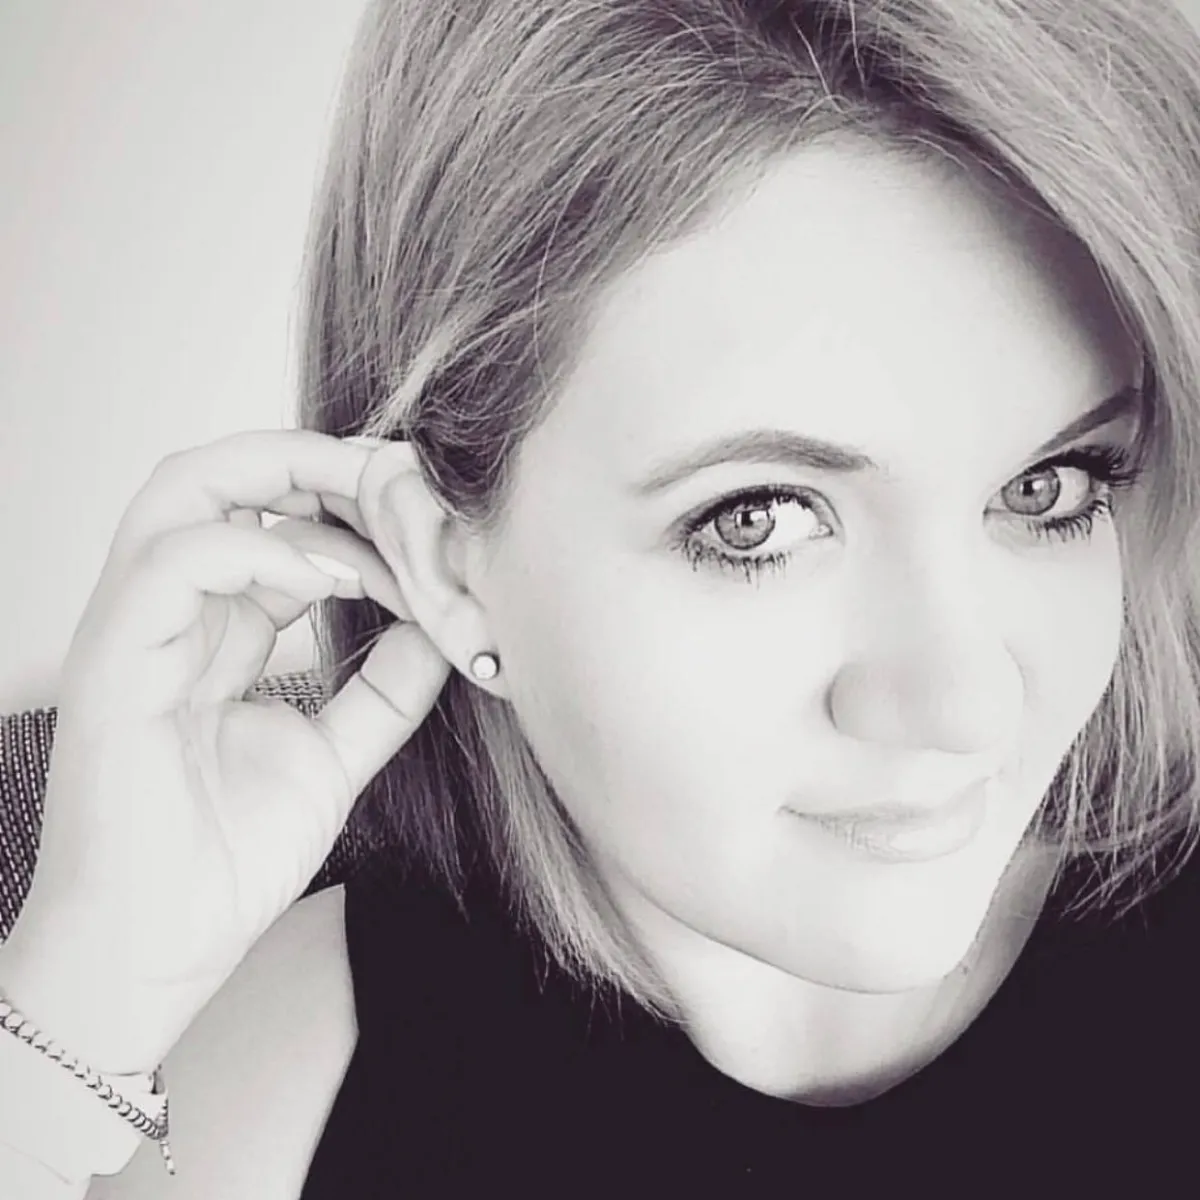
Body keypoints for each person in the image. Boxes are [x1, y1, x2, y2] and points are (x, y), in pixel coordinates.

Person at [4, 0, 1200, 1194]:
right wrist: (79, 1007)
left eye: (1050, 488)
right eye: (758, 519)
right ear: (450, 567)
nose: (968, 706)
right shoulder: (284, 1087)